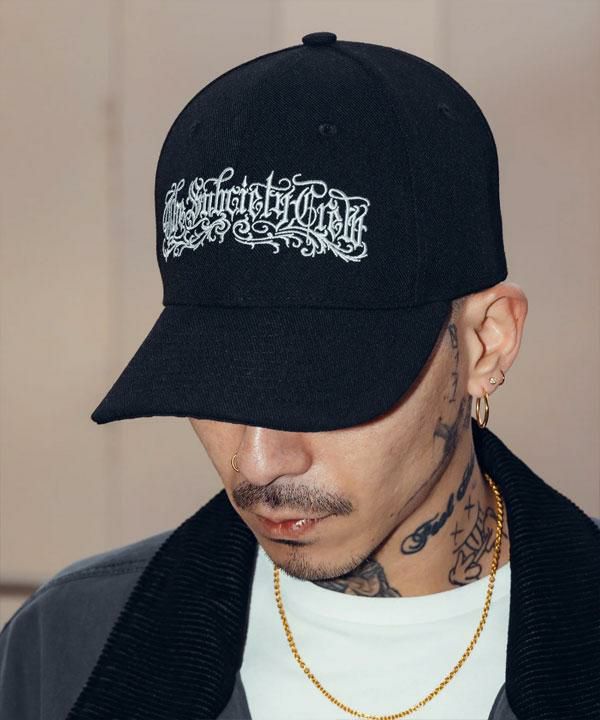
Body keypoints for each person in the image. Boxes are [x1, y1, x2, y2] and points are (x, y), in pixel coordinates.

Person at [1, 31, 598, 720]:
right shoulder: (64, 646)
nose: (259, 464)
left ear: (486, 344)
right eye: (215, 383)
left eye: (323, 387)